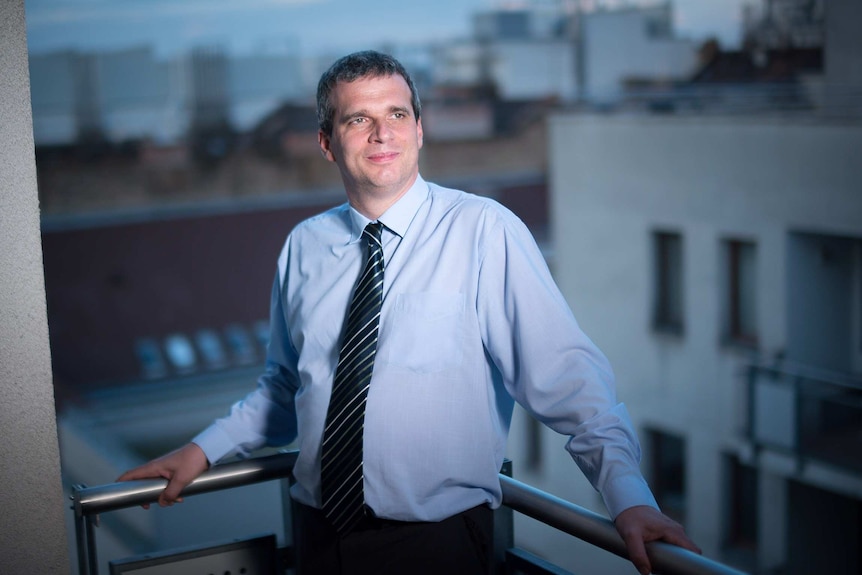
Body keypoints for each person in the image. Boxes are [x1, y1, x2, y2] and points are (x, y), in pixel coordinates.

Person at [119, 50, 700, 575]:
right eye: (357, 119)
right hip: (316, 534)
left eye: (396, 115)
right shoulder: (304, 245)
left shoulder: (483, 230)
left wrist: (631, 501)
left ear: (420, 130)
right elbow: (285, 387)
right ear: (327, 142)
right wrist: (202, 450)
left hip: (437, 546)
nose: (380, 133)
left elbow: (569, 383)